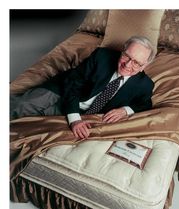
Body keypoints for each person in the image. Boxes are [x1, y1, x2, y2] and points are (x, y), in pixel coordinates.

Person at [10, 36, 155, 139]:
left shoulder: (144, 85)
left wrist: (125, 110)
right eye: (126, 56)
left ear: (144, 66)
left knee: (31, 125)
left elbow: (145, 104)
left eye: (136, 63)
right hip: (62, 90)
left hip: (79, 110)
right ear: (122, 51)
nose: (128, 65)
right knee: (21, 105)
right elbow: (73, 84)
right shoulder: (102, 56)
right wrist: (74, 119)